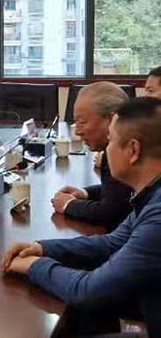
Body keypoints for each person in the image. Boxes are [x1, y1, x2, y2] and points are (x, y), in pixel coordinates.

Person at [2, 97, 161, 338]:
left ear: (133, 150)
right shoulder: (151, 195)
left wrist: (34, 266)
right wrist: (43, 248)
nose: (105, 151)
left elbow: (89, 290)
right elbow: (112, 242)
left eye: (111, 141)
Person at [51, 82, 133, 231]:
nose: (78, 131)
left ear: (112, 120)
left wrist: (69, 205)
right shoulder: (115, 147)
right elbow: (120, 193)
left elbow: (111, 212)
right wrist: (85, 193)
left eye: (82, 122)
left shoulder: (128, 153)